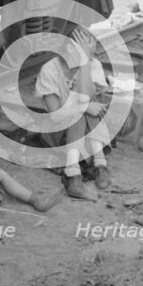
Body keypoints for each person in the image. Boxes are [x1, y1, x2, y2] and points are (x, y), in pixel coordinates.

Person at [34, 28, 112, 198]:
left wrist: (86, 63)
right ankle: (75, 172)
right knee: (82, 110)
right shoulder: (50, 69)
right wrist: (83, 107)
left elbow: (86, 98)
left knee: (89, 107)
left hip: (87, 137)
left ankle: (95, 166)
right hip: (57, 134)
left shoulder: (93, 65)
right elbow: (55, 115)